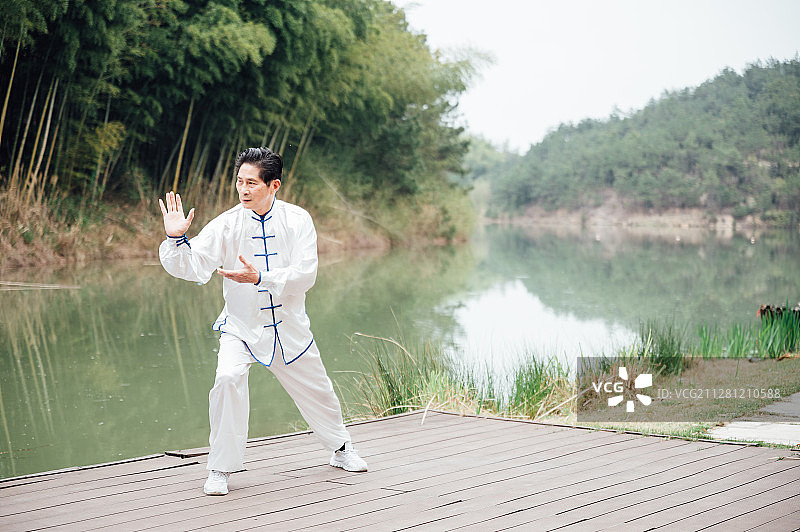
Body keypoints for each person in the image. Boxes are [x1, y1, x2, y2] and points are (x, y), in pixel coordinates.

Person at [158, 146, 367, 496]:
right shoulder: (226, 223)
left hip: (289, 328)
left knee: (319, 391)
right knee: (226, 379)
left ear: (274, 186)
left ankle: (341, 449)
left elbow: (305, 276)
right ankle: (220, 468)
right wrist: (176, 238)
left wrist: (260, 278)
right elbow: (193, 266)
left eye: (252, 183)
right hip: (240, 327)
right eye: (239, 181)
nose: (243, 189)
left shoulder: (298, 220)